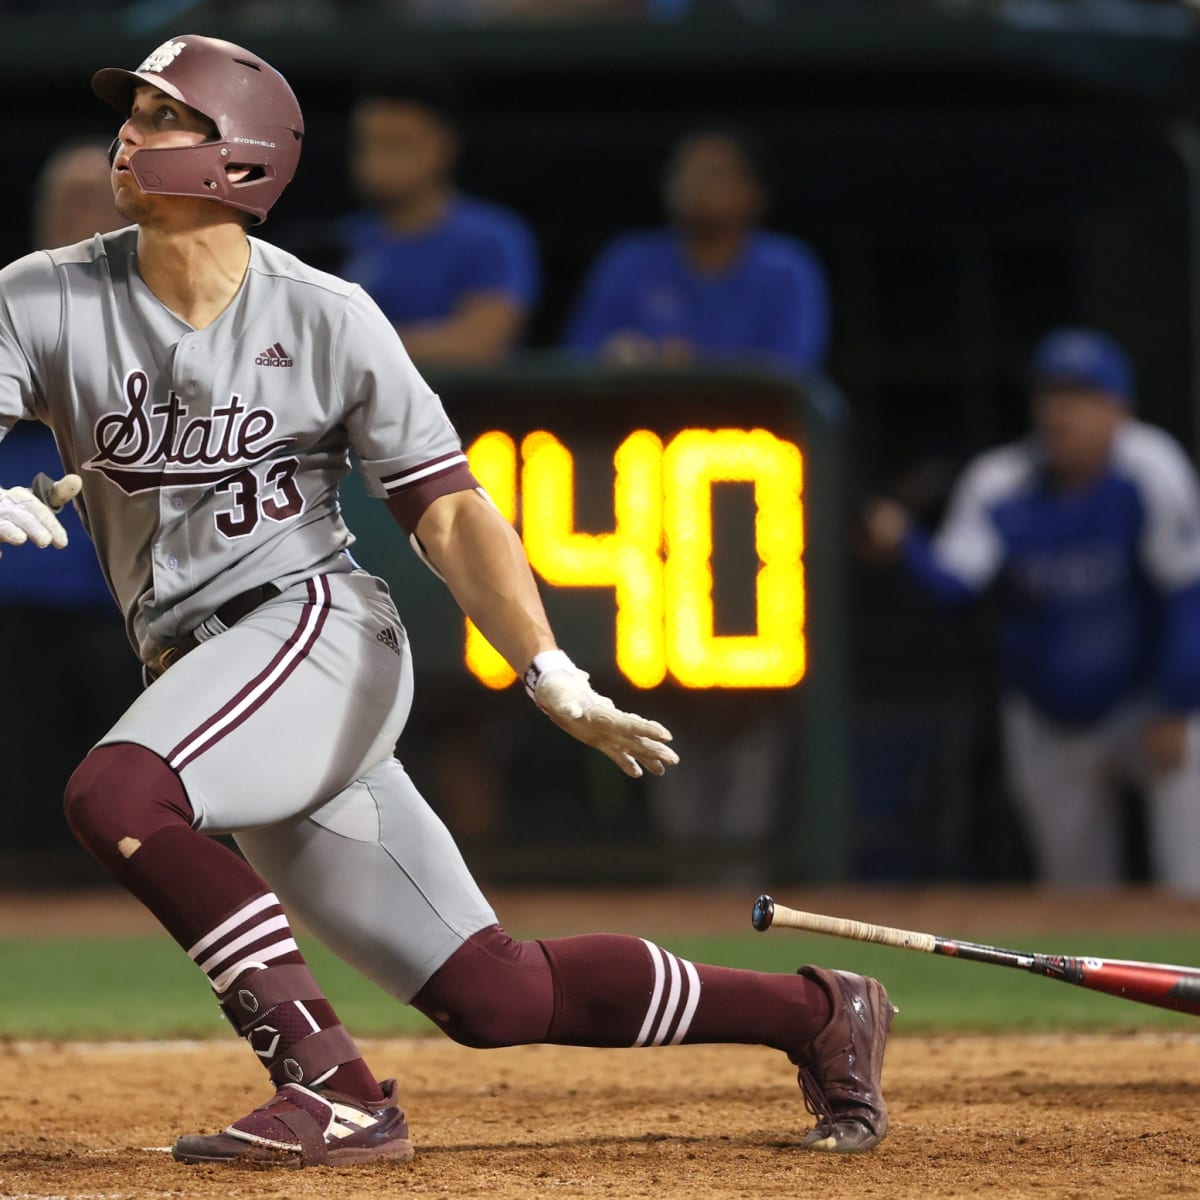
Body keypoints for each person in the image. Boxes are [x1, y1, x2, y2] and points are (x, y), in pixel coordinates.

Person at [0, 35, 893, 1167]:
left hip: (317, 629)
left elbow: (451, 511)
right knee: (492, 992)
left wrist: (549, 669)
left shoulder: (327, 314)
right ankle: (820, 1013)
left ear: (242, 154)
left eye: (165, 115)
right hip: (210, 678)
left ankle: (332, 1089)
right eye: (130, 111)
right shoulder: (43, 295)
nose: (129, 133)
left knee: (117, 792)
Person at [863, 328, 1200, 891]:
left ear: (1118, 409)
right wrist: (906, 543)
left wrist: (1176, 704)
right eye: (1051, 395)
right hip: (1047, 713)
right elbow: (955, 587)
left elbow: (1187, 594)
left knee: (1192, 883)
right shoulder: (1001, 481)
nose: (1060, 412)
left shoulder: (1152, 468)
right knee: (1076, 899)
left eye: (1080, 396)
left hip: (1148, 701)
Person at [565, 125, 830, 373]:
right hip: (643, 416)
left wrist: (696, 368)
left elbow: (793, 369)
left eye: (714, 173)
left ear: (754, 192)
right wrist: (620, 354)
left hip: (750, 419)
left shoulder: (787, 269)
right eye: (683, 172)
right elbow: (578, 356)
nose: (695, 184)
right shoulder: (628, 260)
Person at [339, 73, 538, 366]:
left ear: (443, 147)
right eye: (368, 143)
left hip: (458, 409)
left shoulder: (492, 238)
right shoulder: (341, 239)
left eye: (397, 144)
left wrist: (347, 343)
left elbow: (480, 344)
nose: (377, 160)